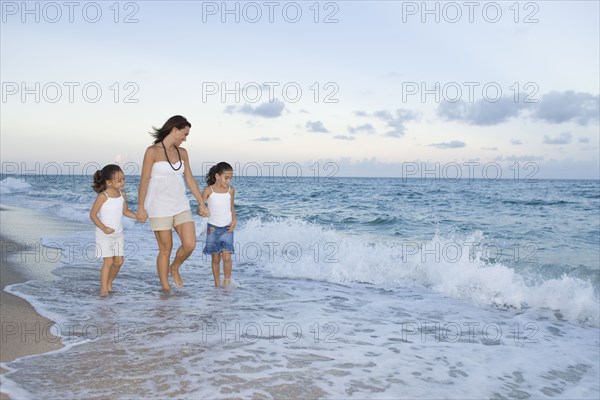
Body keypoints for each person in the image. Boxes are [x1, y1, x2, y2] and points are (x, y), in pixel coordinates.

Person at [137, 115, 207, 291]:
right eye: (184, 134)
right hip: (159, 207)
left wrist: (201, 202)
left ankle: (174, 267)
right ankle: (166, 289)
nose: (185, 138)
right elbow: (144, 180)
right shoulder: (152, 151)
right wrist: (140, 207)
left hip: (181, 205)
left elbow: (189, 178)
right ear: (174, 129)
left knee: (190, 244)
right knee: (165, 248)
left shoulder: (183, 153)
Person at [90, 164, 137, 296]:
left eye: (123, 179)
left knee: (119, 262)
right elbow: (92, 215)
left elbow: (126, 211)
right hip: (103, 233)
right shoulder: (103, 196)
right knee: (108, 261)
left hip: (118, 234)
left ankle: (109, 282)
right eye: (119, 180)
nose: (123, 182)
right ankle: (104, 289)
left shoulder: (123, 195)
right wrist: (104, 228)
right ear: (109, 182)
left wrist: (137, 216)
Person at [199, 162, 237, 288]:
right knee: (215, 259)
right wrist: (201, 211)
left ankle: (226, 283)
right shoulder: (208, 190)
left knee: (227, 257)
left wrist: (234, 219)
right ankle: (217, 285)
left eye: (230, 178)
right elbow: (199, 207)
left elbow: (231, 207)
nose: (229, 181)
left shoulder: (230, 191)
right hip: (213, 229)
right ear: (217, 176)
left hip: (227, 228)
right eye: (226, 177)